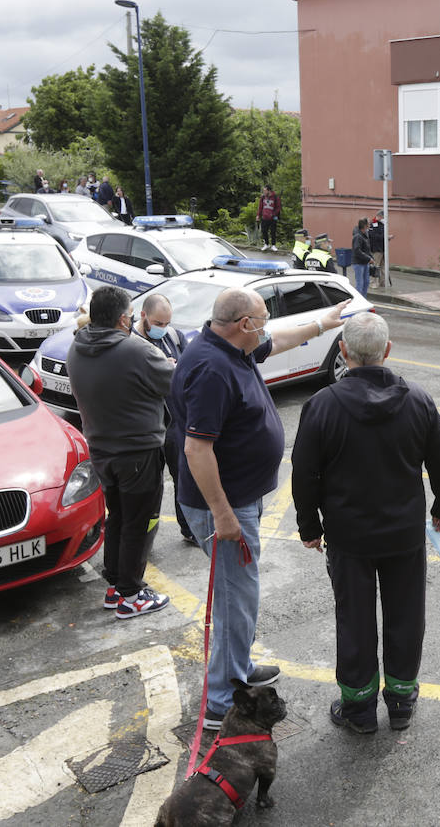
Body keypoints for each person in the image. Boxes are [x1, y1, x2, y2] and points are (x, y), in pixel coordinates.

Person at [173, 287, 349, 730]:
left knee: (242, 596)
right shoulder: (212, 368)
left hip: (239, 497)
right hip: (227, 505)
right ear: (243, 324)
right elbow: (197, 449)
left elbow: (280, 340)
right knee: (236, 600)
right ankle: (220, 701)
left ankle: (237, 668)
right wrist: (223, 514)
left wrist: (322, 325)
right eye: (262, 319)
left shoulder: (233, 347)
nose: (267, 326)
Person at [292, 312, 440, 733]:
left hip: (349, 538)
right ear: (387, 351)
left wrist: (310, 526)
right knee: (406, 616)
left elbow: (304, 472)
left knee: (355, 621)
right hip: (404, 535)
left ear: (344, 352)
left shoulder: (323, 405)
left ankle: (359, 709)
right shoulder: (418, 399)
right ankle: (401, 703)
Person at [68, 286, 173, 619]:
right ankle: (130, 594)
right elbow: (174, 382)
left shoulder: (77, 347)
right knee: (139, 524)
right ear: (123, 318)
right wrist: (168, 364)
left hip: (102, 452)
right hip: (138, 453)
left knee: (118, 518)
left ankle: (115, 585)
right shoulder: (135, 351)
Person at [136, 292, 196, 546]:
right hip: (146, 428)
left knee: (183, 477)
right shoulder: (131, 344)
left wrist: (176, 370)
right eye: (158, 323)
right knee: (149, 488)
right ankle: (143, 537)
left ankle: (190, 529)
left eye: (166, 323)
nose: (163, 328)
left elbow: (190, 371)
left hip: (175, 425)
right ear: (143, 316)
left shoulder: (174, 337)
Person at [368, 214, 392, 288]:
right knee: (375, 267)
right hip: (376, 249)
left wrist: (387, 237)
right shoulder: (373, 224)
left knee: (383, 267)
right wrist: (385, 237)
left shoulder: (382, 224)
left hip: (383, 249)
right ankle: (373, 283)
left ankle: (383, 283)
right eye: (383, 217)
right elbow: (373, 236)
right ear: (379, 216)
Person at [351, 218, 372, 295]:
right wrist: (368, 258)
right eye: (368, 224)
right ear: (365, 225)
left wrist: (370, 257)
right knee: (360, 284)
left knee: (366, 282)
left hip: (365, 262)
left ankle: (364, 300)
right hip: (358, 263)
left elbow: (367, 249)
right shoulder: (358, 236)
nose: (370, 225)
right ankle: (359, 302)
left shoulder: (365, 234)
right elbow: (357, 251)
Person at [257, 184, 281, 251]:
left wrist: (273, 214)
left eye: (265, 190)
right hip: (264, 217)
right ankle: (266, 244)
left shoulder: (275, 197)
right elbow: (260, 207)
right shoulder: (263, 197)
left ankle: (273, 245)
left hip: (273, 218)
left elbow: (278, 208)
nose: (264, 192)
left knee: (273, 231)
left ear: (269, 190)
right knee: (264, 231)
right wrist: (258, 215)